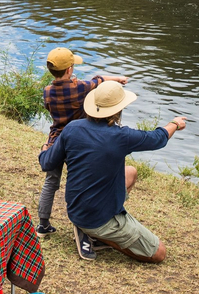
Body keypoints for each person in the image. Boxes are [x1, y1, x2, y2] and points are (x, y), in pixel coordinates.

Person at [40, 80, 186, 263]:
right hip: (95, 217)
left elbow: (46, 163)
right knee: (159, 253)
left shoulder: (72, 129)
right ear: (118, 110)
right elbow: (158, 138)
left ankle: (91, 226)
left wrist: (45, 148)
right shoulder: (121, 136)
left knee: (130, 172)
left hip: (76, 207)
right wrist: (174, 123)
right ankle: (100, 234)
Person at [35, 47, 127, 236]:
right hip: (79, 141)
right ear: (69, 70)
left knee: (51, 182)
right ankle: (85, 222)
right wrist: (117, 79)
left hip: (55, 140)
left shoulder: (47, 92)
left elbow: (51, 107)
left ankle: (43, 224)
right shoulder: (79, 87)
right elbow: (98, 80)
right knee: (80, 179)